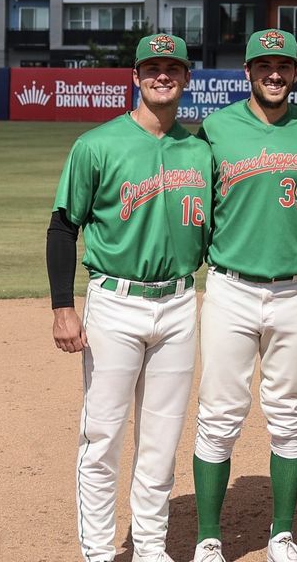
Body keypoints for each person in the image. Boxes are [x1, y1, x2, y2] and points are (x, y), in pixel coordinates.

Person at [47, 33, 211, 562]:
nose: (163, 76)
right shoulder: (97, 145)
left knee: (161, 440)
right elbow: (62, 227)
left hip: (180, 304)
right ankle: (98, 551)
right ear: (135, 78)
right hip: (115, 303)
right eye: (152, 68)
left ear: (186, 77)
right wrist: (63, 306)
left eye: (173, 68)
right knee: (102, 436)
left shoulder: (200, 150)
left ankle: (150, 548)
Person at [188, 29, 297, 562]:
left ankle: (282, 536)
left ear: (296, 73)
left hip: (295, 291)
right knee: (219, 413)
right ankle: (208, 538)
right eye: (264, 65)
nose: (274, 74)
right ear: (247, 72)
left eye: (283, 65)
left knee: (291, 413)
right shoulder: (216, 128)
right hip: (231, 288)